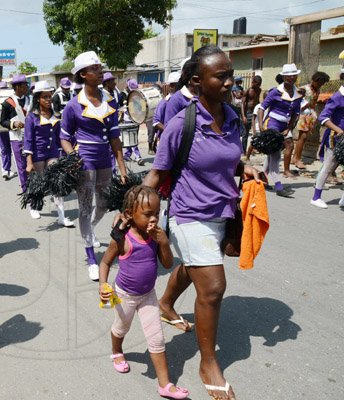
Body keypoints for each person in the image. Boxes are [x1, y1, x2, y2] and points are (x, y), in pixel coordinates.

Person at [142, 45, 261, 400]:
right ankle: (208, 361)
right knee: (212, 287)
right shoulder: (182, 123)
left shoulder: (234, 117)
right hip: (189, 213)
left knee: (194, 268)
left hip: (224, 210)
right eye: (220, 76)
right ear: (198, 81)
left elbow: (229, 157)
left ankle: (165, 304)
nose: (229, 82)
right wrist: (133, 210)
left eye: (230, 74)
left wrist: (244, 167)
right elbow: (158, 171)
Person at [99, 186, 189, 400]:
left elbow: (167, 264)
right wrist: (103, 284)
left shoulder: (156, 237)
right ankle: (117, 352)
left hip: (148, 296)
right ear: (130, 214)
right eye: (148, 214)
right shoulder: (122, 238)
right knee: (121, 328)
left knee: (156, 338)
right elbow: (104, 262)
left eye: (157, 213)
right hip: (124, 295)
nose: (154, 219)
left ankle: (165, 385)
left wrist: (164, 242)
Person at [60, 51, 128, 281]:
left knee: (104, 203)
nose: (101, 72)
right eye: (96, 69)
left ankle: (90, 227)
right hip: (85, 160)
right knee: (85, 207)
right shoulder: (72, 105)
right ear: (84, 74)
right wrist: (72, 157)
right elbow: (64, 137)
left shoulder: (110, 100)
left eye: (100, 68)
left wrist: (122, 166)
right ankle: (90, 256)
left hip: (105, 159)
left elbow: (115, 138)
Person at [24, 80, 74, 226]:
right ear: (37, 99)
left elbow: (60, 137)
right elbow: (28, 140)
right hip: (37, 154)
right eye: (44, 97)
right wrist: (29, 162)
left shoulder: (55, 114)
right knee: (39, 182)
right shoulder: (31, 117)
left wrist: (67, 155)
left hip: (52, 152)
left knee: (57, 182)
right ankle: (33, 205)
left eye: (49, 96)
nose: (48, 99)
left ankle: (61, 216)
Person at [258, 63, 303, 196]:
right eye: (289, 76)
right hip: (272, 123)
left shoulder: (298, 93)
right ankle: (278, 186)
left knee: (286, 146)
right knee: (275, 154)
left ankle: (262, 178)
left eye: (294, 75)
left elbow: (296, 113)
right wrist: (261, 125)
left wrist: (289, 127)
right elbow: (262, 108)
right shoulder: (275, 92)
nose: (292, 78)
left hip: (285, 126)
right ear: (283, 77)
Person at [310, 69, 344, 209]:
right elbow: (323, 117)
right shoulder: (337, 97)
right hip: (335, 138)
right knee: (328, 167)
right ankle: (316, 197)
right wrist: (339, 130)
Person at [293, 71, 330, 170]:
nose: (320, 85)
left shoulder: (317, 90)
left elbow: (314, 102)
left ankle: (295, 157)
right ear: (314, 80)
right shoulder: (304, 89)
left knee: (303, 137)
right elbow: (295, 100)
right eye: (319, 83)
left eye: (322, 84)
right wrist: (305, 106)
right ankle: (297, 159)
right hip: (303, 115)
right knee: (303, 137)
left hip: (310, 116)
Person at [0, 74, 30, 193]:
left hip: (32, 137)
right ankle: (26, 190)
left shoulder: (31, 100)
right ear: (18, 87)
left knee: (35, 163)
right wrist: (13, 124)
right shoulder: (8, 103)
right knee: (22, 166)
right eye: (24, 85)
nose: (26, 87)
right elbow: (2, 121)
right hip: (17, 138)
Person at [0, 81, 16, 179]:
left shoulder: (13, 99)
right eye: (1, 89)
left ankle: (20, 167)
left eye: (4, 89)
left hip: (13, 127)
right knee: (5, 149)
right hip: (0, 128)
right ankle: (6, 170)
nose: (3, 91)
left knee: (16, 149)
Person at [152, 72, 181, 151]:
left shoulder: (185, 100)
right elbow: (156, 122)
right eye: (179, 85)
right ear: (172, 86)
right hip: (168, 141)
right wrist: (170, 132)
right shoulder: (165, 102)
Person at [122, 79, 142, 162]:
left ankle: (127, 155)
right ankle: (138, 157)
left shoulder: (137, 95)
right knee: (132, 139)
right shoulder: (125, 95)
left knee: (131, 139)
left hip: (135, 120)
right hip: (129, 120)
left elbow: (142, 108)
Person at [240, 75, 262, 153]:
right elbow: (242, 103)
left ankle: (254, 149)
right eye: (257, 84)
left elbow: (257, 100)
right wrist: (243, 116)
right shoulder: (248, 91)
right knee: (245, 133)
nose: (258, 85)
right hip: (247, 113)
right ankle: (243, 151)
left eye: (259, 84)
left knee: (256, 131)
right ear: (253, 82)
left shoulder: (259, 90)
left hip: (255, 113)